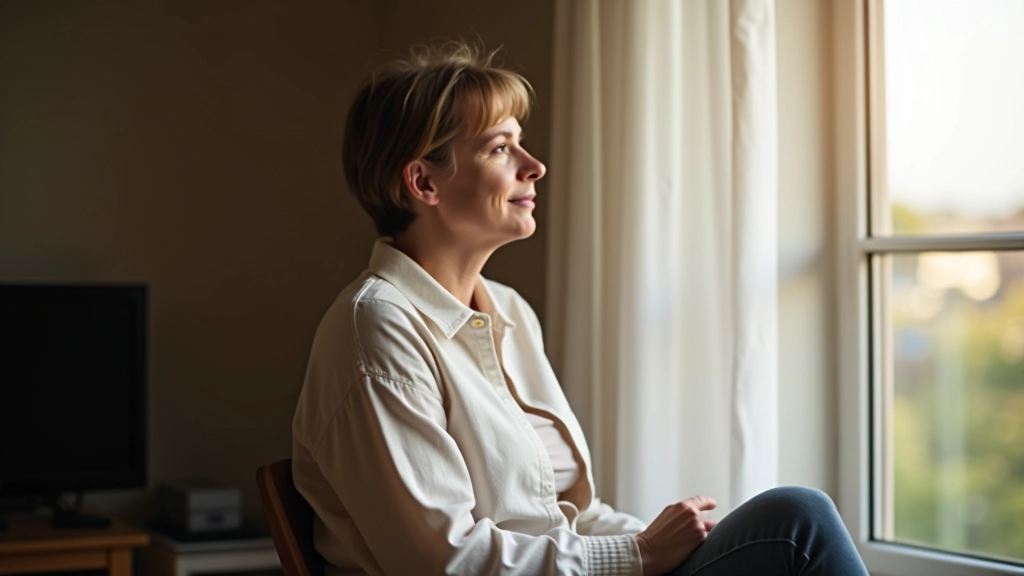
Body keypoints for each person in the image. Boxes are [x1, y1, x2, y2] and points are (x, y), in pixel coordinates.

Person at [291, 42, 869, 576]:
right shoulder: (375, 328)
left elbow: (566, 515)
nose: (533, 165)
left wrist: (674, 541)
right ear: (423, 181)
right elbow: (444, 562)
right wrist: (642, 553)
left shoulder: (509, 313)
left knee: (784, 527)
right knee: (798, 522)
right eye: (499, 147)